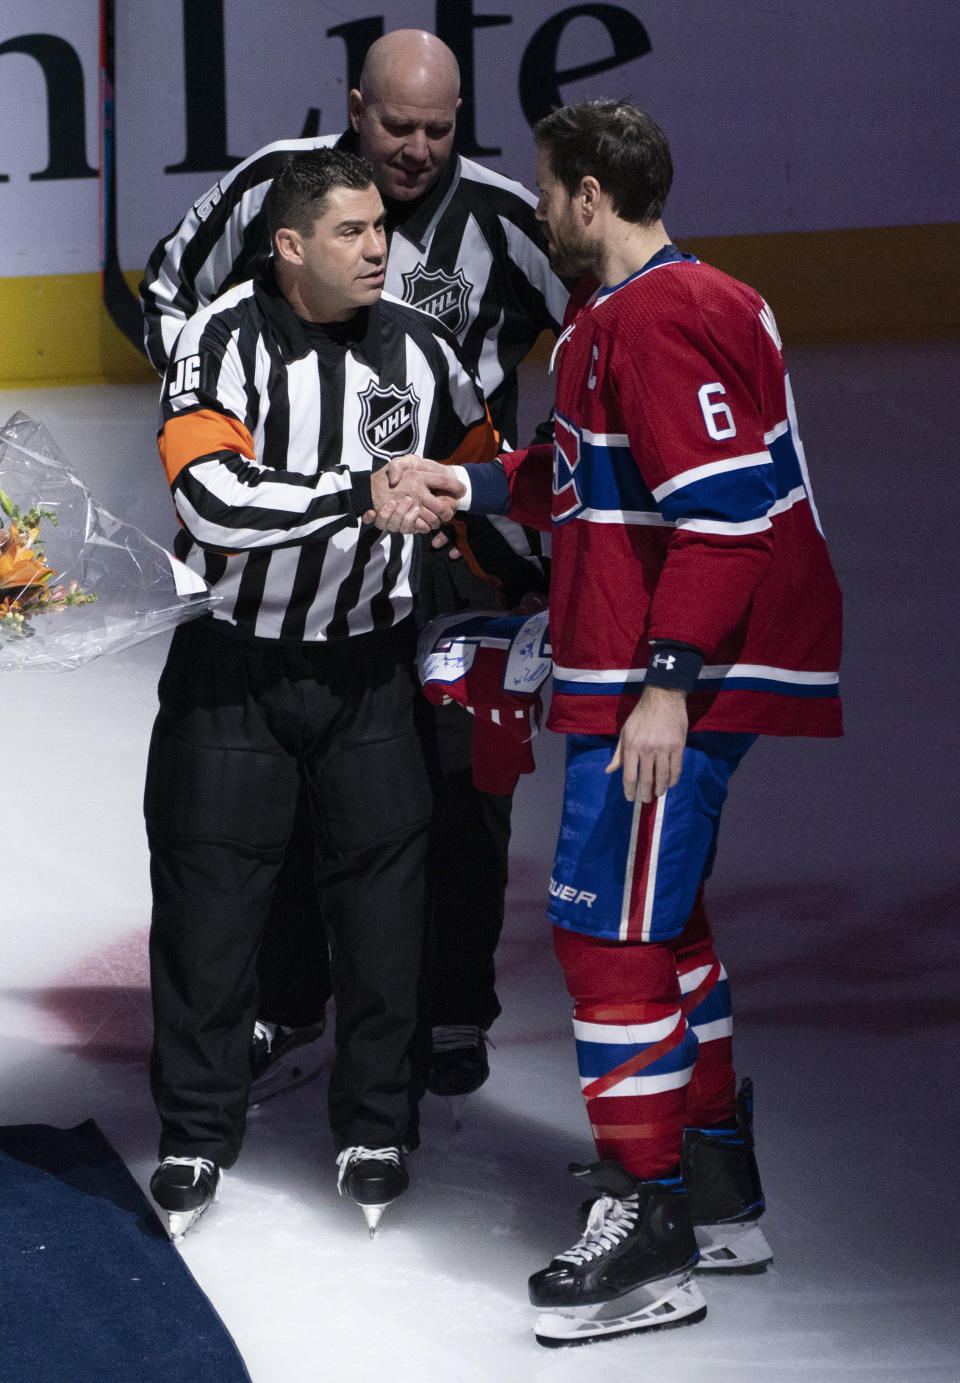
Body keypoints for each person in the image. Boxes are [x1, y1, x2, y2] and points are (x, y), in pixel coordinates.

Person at [369, 100, 843, 1346]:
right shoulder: (618, 318)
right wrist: (462, 480)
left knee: (606, 935)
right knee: (663, 923)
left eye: (544, 188)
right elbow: (585, 478)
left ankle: (651, 1225)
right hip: (646, 667)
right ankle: (716, 1188)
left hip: (663, 683)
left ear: (588, 195)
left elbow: (729, 512)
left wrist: (668, 685)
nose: (534, 207)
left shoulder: (663, 318)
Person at [140, 29, 569, 1097]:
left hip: (456, 548)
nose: (417, 148)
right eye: (396, 125)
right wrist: (213, 404)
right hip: (305, 540)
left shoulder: (509, 221)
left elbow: (601, 336)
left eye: (439, 127)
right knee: (285, 779)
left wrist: (527, 518)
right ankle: (289, 998)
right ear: (353, 107)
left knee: (463, 787)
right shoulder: (270, 191)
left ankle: (453, 1009)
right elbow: (165, 290)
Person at [144, 148, 491, 1241]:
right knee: (209, 909)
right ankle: (196, 1131)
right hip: (234, 671)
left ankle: (377, 1126)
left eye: (383, 228)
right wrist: (362, 491)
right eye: (352, 232)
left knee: (387, 909)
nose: (380, 246)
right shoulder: (221, 337)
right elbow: (211, 499)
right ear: (290, 246)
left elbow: (481, 475)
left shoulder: (425, 345)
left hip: (372, 667)